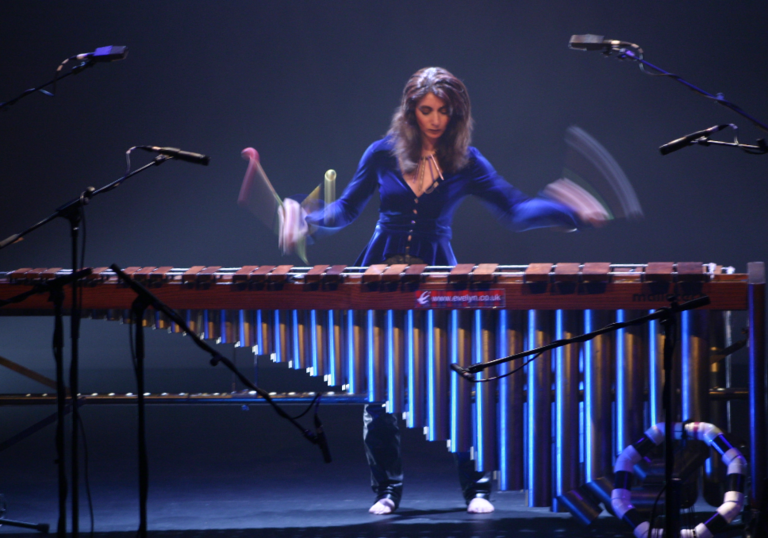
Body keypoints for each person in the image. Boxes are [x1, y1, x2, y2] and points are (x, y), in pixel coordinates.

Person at [278, 67, 606, 515]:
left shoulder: (466, 161)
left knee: (462, 384)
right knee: (381, 392)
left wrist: (566, 211)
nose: (434, 120)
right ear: (411, 110)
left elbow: (516, 208)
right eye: (425, 110)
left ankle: (477, 490)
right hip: (379, 276)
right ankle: (387, 491)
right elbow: (346, 210)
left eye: (444, 111)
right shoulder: (381, 153)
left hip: (439, 280)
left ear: (457, 114)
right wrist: (307, 218)